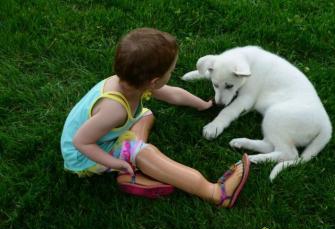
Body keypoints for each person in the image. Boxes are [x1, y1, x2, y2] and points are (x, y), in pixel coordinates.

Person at [60, 27, 250, 208]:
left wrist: (203, 105)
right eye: (170, 71)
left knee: (145, 114)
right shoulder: (114, 109)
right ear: (154, 81)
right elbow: (81, 142)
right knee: (145, 153)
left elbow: (173, 94)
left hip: (99, 134)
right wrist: (115, 163)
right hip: (83, 157)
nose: (172, 73)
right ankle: (216, 193)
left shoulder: (130, 82)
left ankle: (131, 169)